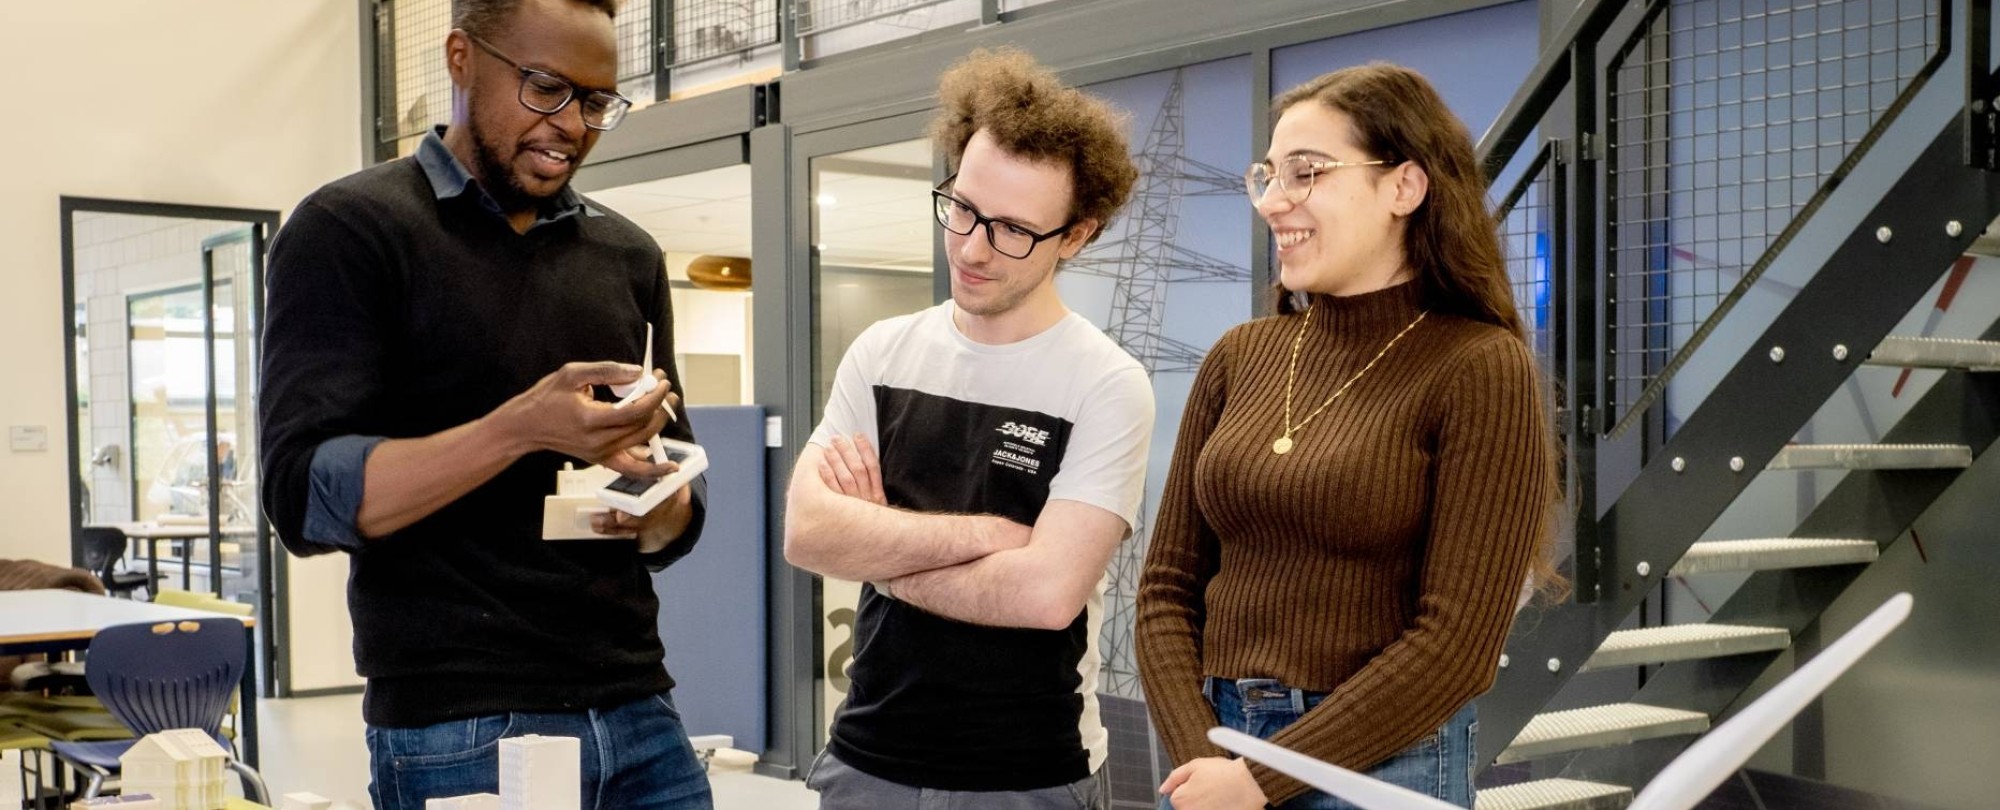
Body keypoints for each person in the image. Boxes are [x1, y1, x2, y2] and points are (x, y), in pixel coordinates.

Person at [257, 0, 712, 807]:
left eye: (597, 101)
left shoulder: (627, 255)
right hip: (459, 725)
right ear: (461, 59)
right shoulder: (351, 230)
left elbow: (678, 511)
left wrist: (654, 502)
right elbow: (303, 497)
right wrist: (520, 430)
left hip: (640, 709)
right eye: (546, 89)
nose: (572, 125)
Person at [1134, 62, 1564, 810]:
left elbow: (1455, 646)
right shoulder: (1241, 355)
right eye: (1267, 175)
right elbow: (1166, 589)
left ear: (1405, 186)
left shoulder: (1478, 365)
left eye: (1306, 173)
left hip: (1380, 765)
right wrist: (1206, 757)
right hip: (1210, 744)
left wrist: (1258, 779)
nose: (1273, 202)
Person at [783, 48, 1153, 810]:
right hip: (864, 761)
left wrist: (879, 539)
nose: (973, 247)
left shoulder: (1105, 383)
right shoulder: (883, 352)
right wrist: (988, 535)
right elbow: (808, 535)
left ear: (1076, 236)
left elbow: (1047, 595)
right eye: (963, 208)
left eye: (1014, 230)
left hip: (1027, 774)